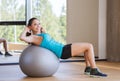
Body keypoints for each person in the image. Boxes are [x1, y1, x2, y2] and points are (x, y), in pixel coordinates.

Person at [19, 17, 107, 77]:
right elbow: (22, 38)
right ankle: (94, 69)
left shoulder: (40, 34)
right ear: (30, 27)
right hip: (62, 51)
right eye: (35, 24)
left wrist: (43, 31)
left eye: (39, 24)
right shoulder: (33, 38)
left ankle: (88, 68)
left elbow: (47, 39)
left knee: (86, 48)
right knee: (89, 46)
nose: (38, 26)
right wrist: (26, 29)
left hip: (63, 47)